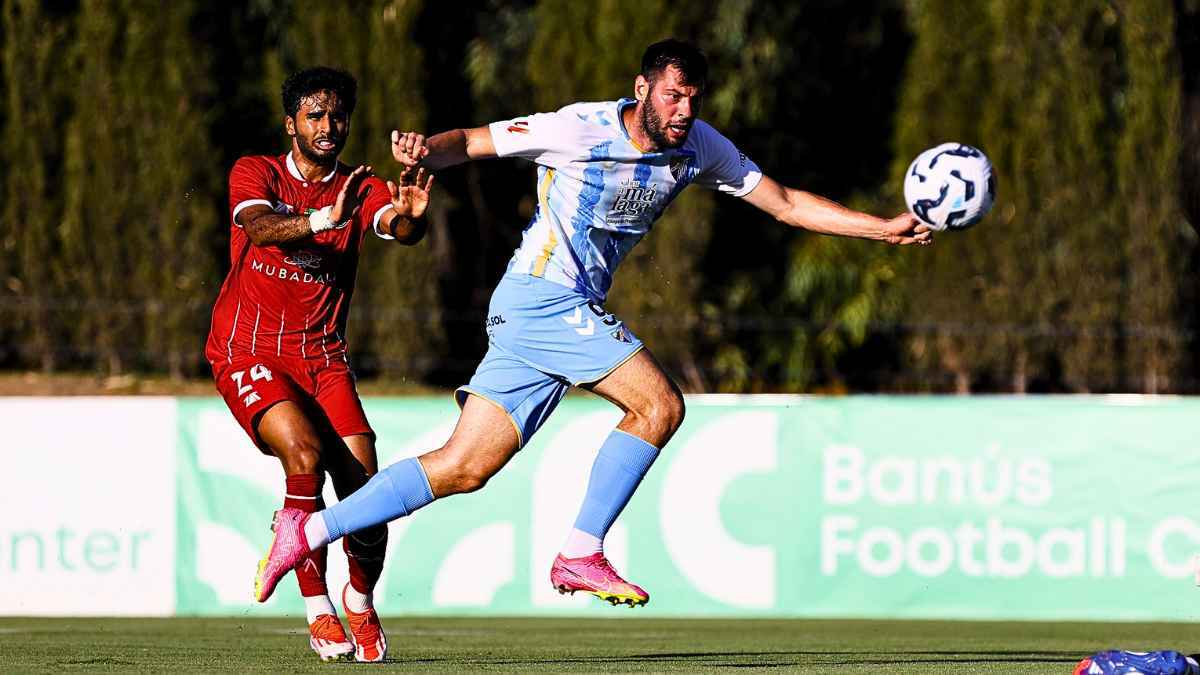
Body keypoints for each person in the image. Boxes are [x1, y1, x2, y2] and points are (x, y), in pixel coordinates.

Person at [253, 39, 930, 610]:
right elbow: (479, 142)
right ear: (642, 89)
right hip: (543, 297)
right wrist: (424, 149)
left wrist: (882, 230)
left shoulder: (699, 147)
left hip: (542, 313)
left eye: (694, 98)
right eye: (673, 96)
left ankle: (306, 531)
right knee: (658, 404)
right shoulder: (581, 127)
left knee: (463, 466)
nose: (685, 110)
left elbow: (782, 202)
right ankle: (581, 550)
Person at [206, 66, 432, 662]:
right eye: (315, 116)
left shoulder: (363, 187)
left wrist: (411, 214)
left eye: (337, 116)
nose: (328, 126)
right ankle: (317, 610)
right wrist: (326, 219)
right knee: (302, 455)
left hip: (324, 357)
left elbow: (398, 228)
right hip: (247, 348)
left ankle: (358, 600)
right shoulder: (256, 171)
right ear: (292, 123)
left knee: (368, 496)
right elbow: (258, 229)